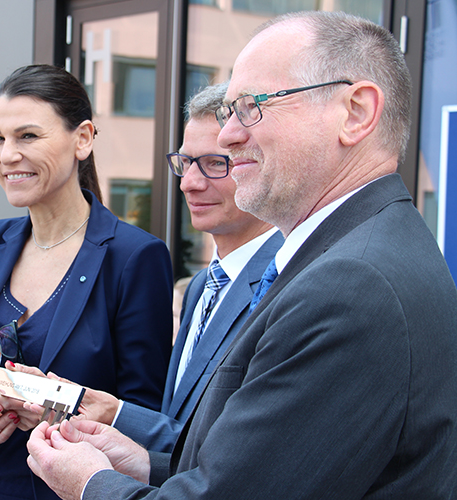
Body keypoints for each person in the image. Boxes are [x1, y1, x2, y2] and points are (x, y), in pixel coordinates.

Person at [25, 11, 457, 500]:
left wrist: (90, 483)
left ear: (355, 113)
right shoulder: (358, 253)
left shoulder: (350, 284)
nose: (229, 135)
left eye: (251, 106)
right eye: (230, 111)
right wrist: (147, 464)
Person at [0, 64, 173, 500]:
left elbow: (142, 420)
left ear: (82, 139)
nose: (7, 156)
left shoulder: (134, 257)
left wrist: (57, 411)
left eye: (27, 136)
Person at [50, 83, 282, 454]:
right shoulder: (201, 286)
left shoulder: (284, 284)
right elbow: (180, 425)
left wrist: (116, 414)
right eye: (185, 163)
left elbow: (241, 449)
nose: (189, 183)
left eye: (213, 164)